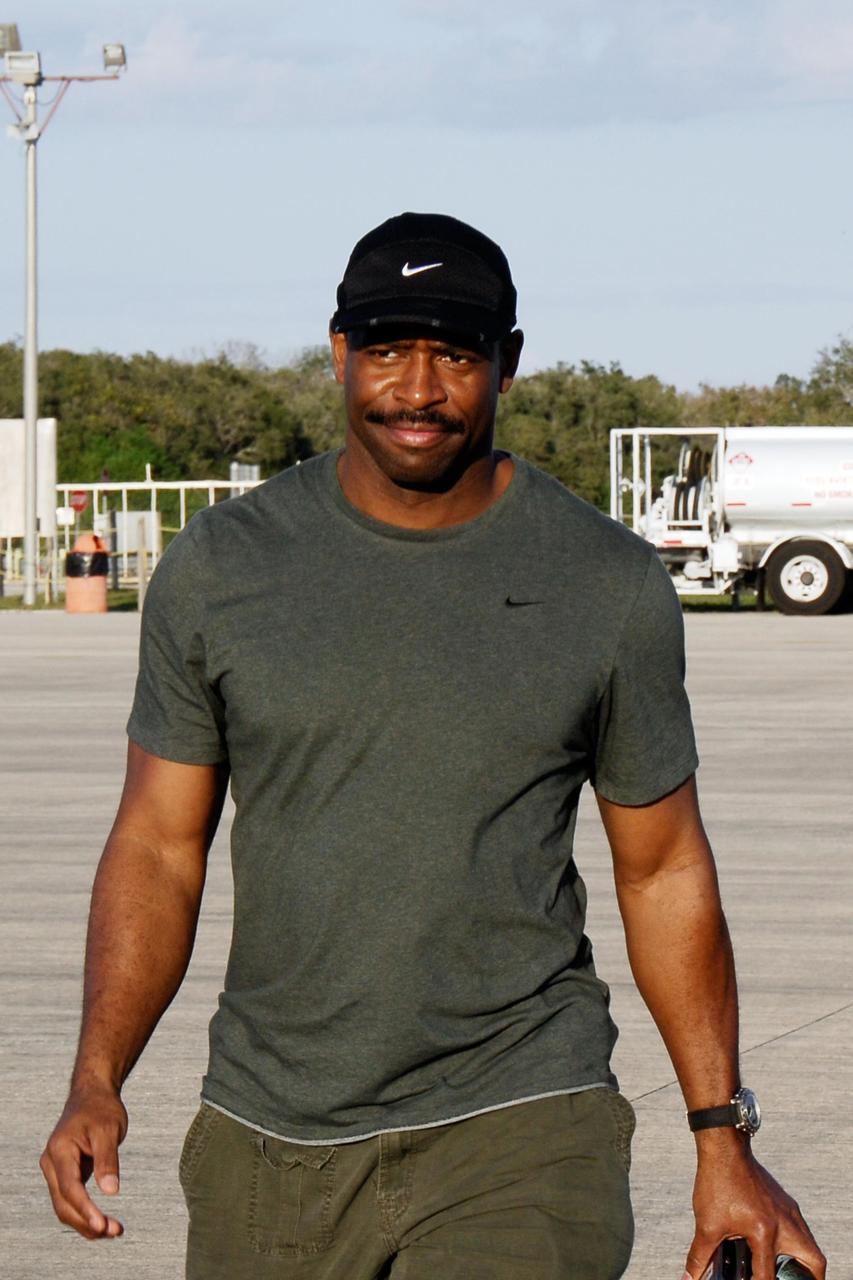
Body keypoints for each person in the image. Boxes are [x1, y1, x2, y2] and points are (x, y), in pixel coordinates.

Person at [40, 212, 826, 1280]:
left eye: (454, 353)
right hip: (270, 1135)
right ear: (337, 354)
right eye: (387, 350)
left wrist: (720, 1134)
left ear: (507, 361)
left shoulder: (606, 585)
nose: (417, 389)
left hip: (523, 1115)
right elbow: (157, 846)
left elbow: (664, 866)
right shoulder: (223, 569)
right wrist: (97, 1075)